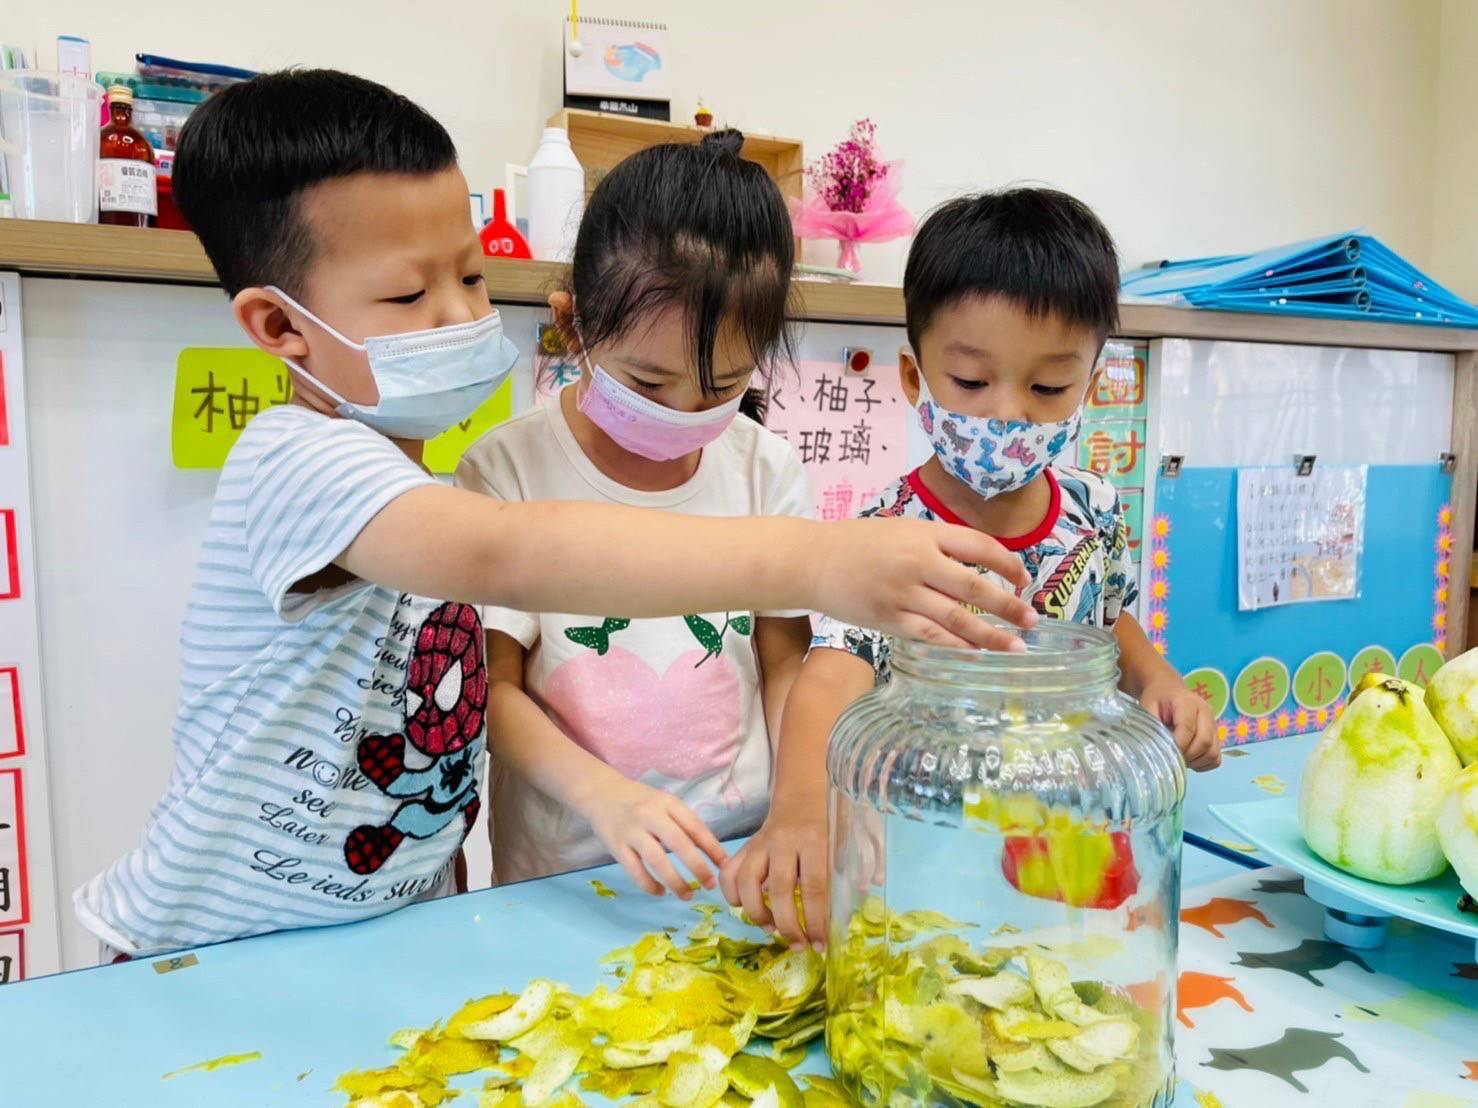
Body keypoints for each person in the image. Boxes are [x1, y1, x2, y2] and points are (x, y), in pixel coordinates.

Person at [72, 71, 1035, 960]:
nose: (459, 315)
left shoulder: (419, 478)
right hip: (206, 943)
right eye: (412, 293)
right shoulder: (298, 459)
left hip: (382, 918)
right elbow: (504, 555)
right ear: (281, 329)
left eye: (474, 275)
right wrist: (819, 561)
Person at [722, 188, 1221, 950]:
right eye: (972, 382)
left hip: (1066, 841)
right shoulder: (888, 537)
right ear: (918, 381)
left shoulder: (1096, 508)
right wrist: (798, 808)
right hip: (929, 844)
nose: (1009, 415)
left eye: (1049, 387)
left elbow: (1106, 620)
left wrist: (1158, 680)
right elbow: (832, 673)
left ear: (1089, 388)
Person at [459, 130, 819, 894]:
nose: (685, 414)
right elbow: (492, 691)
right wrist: (609, 799)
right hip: (569, 869)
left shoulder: (765, 470)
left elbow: (784, 663)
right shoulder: (507, 468)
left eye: (721, 387)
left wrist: (799, 811)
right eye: (649, 385)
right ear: (576, 324)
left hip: (738, 857)